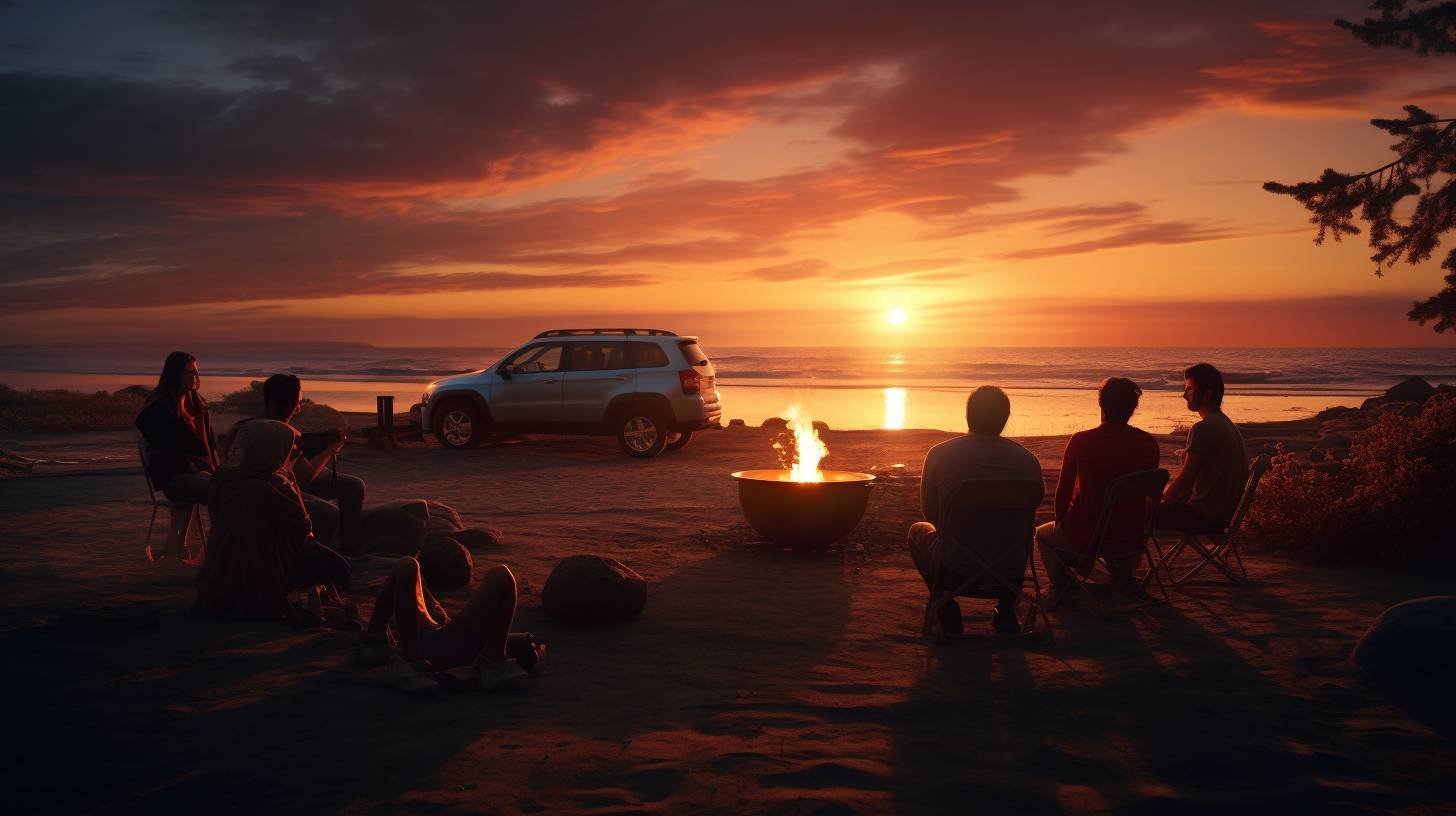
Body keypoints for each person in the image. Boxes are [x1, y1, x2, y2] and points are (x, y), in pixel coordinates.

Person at [908, 386, 1043, 634]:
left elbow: (930, 512)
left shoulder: (940, 454)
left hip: (955, 568)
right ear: (1005, 419)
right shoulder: (1027, 460)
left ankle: (944, 605)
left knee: (917, 531)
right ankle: (1006, 608)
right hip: (1010, 571)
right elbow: (1028, 516)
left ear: (968, 415)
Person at [194, 419, 352, 621]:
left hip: (219, 571)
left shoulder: (221, 480)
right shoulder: (275, 485)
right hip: (264, 570)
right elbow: (303, 533)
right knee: (339, 567)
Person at [1035, 377, 1161, 597]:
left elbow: (1062, 495)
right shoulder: (1148, 443)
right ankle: (1123, 576)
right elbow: (1151, 497)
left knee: (1042, 534)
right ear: (1133, 409)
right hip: (1130, 536)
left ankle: (1061, 586)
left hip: (1090, 536)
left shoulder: (1082, 441)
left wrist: (1063, 527)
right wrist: (1141, 534)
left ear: (1101, 405)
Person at [222, 374, 367, 557]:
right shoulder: (284, 433)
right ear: (276, 404)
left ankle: (345, 549)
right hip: (275, 491)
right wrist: (330, 451)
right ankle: (344, 553)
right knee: (333, 506)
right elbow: (305, 476)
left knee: (351, 486)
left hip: (247, 491)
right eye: (295, 404)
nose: (297, 409)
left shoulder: (240, 427)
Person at [355, 557, 529, 694]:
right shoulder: (424, 624)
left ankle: (378, 640)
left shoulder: (420, 624)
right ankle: (495, 660)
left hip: (429, 650)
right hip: (450, 645)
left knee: (408, 565)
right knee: (501, 574)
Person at [135, 351, 219, 557]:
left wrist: (217, 468)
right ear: (174, 374)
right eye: (190, 373)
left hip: (197, 472)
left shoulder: (196, 402)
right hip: (174, 476)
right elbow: (158, 444)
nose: (195, 378)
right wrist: (185, 463)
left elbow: (209, 443)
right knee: (226, 493)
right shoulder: (159, 406)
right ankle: (219, 551)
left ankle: (181, 549)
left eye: (197, 373)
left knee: (230, 487)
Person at [1158, 363, 1248, 534]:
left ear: (1207, 395)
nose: (1184, 395)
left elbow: (1186, 482)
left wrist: (1161, 500)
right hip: (1224, 517)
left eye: (1190, 389)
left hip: (1202, 517)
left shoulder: (1203, 428)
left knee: (1134, 512)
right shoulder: (1227, 424)